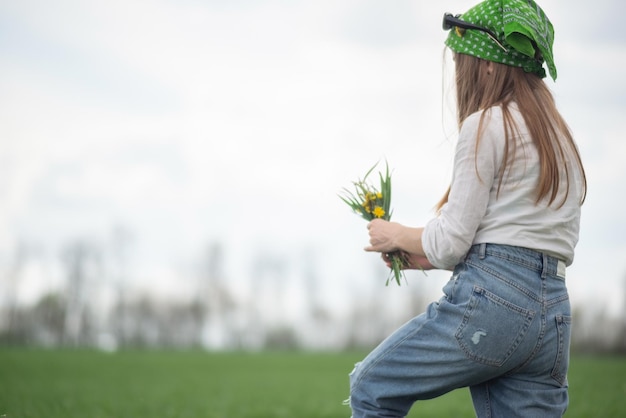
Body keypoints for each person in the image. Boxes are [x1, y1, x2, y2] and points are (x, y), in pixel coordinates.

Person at [347, 1, 587, 417]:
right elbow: (518, 242)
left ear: (490, 66)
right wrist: (423, 258)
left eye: (464, 61)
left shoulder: (488, 124)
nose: (461, 73)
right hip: (553, 316)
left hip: (493, 307)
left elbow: (453, 242)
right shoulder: (560, 139)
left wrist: (396, 234)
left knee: (371, 385)